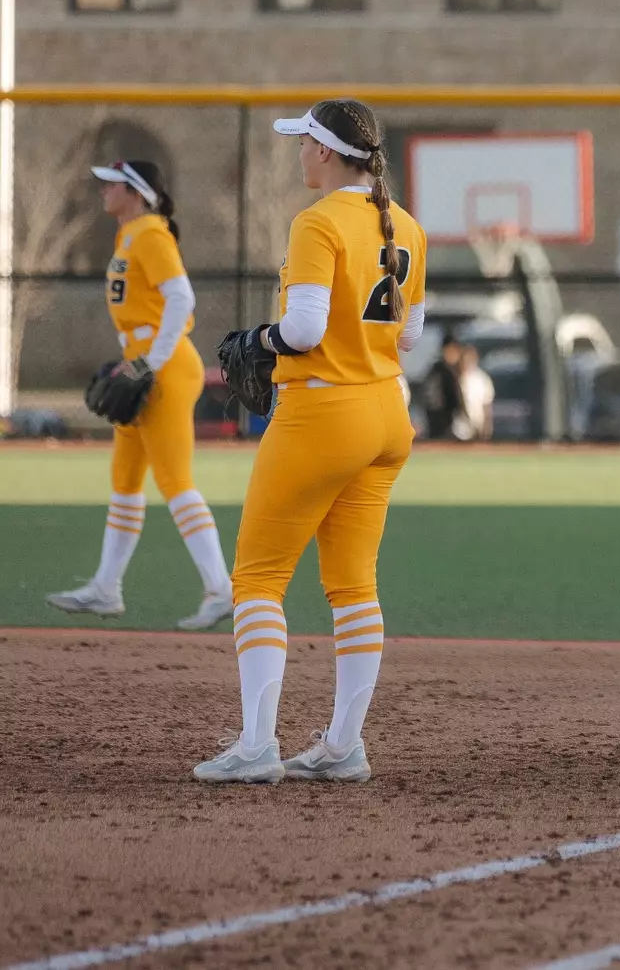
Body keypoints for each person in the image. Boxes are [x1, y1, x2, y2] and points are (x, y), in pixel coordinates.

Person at [193, 98, 427, 784]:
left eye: (304, 142)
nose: (299, 153)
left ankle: (258, 745)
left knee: (259, 578)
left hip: (324, 415)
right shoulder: (406, 223)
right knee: (353, 584)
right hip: (387, 416)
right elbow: (409, 335)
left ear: (325, 152)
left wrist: (256, 340)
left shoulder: (318, 221)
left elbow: (302, 332)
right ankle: (342, 745)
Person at [47, 161, 235, 630]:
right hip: (144, 362)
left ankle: (221, 590)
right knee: (126, 477)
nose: (104, 190)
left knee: (174, 479)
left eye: (113, 183)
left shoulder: (151, 233)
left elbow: (182, 299)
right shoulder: (129, 234)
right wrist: (133, 361)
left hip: (164, 367)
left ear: (135, 191)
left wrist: (151, 360)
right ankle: (105, 589)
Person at [422, 340, 464, 440]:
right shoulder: (441, 371)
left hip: (445, 416)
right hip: (440, 416)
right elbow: (433, 395)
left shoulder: (451, 369)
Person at [454, 345, 494, 442]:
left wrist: (487, 425)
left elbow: (487, 403)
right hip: (459, 427)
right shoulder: (456, 377)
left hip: (478, 424)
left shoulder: (482, 379)